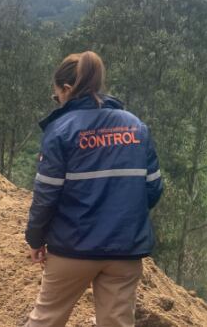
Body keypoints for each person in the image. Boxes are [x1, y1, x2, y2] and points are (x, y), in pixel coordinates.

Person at [24, 51, 164, 327]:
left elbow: (46, 196)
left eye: (57, 96)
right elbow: (154, 188)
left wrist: (35, 239)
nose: (58, 101)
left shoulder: (61, 130)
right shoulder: (136, 126)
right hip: (124, 251)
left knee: (46, 320)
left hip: (71, 248)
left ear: (66, 89)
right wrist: (121, 214)